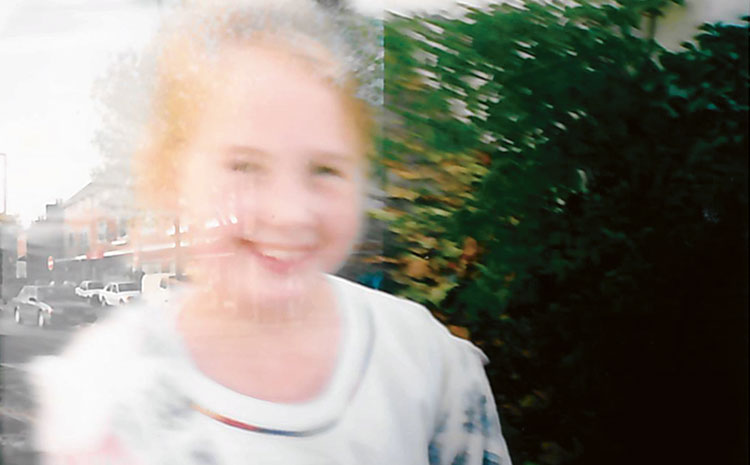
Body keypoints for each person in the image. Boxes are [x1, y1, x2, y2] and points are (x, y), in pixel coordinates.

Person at [30, 2, 512, 464]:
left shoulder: (426, 364)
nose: (289, 213)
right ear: (172, 178)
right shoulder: (103, 390)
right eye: (244, 166)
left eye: (325, 169)